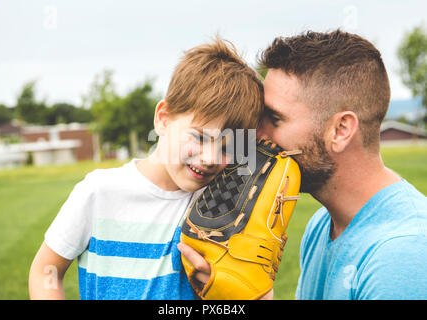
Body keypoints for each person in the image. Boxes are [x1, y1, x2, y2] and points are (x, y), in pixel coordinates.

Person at [28, 38, 265, 300]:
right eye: (199, 137)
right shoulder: (99, 192)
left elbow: (254, 293)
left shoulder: (225, 207)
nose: (210, 157)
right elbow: (45, 271)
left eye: (227, 148)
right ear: (163, 119)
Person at [256, 30, 427, 299]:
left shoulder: (402, 253)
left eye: (274, 119)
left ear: (340, 130)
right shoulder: (321, 225)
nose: (257, 135)